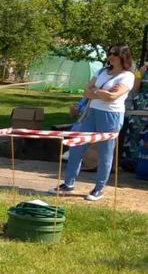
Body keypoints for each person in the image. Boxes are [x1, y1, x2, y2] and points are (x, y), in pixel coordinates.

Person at [50, 44, 135, 201]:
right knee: (76, 148)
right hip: (91, 113)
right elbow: (86, 91)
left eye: (115, 54)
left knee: (105, 153)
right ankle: (68, 183)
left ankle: (99, 188)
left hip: (111, 116)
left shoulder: (127, 76)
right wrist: (100, 92)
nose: (111, 57)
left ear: (123, 56)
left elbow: (112, 97)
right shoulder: (102, 71)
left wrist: (96, 91)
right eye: (109, 53)